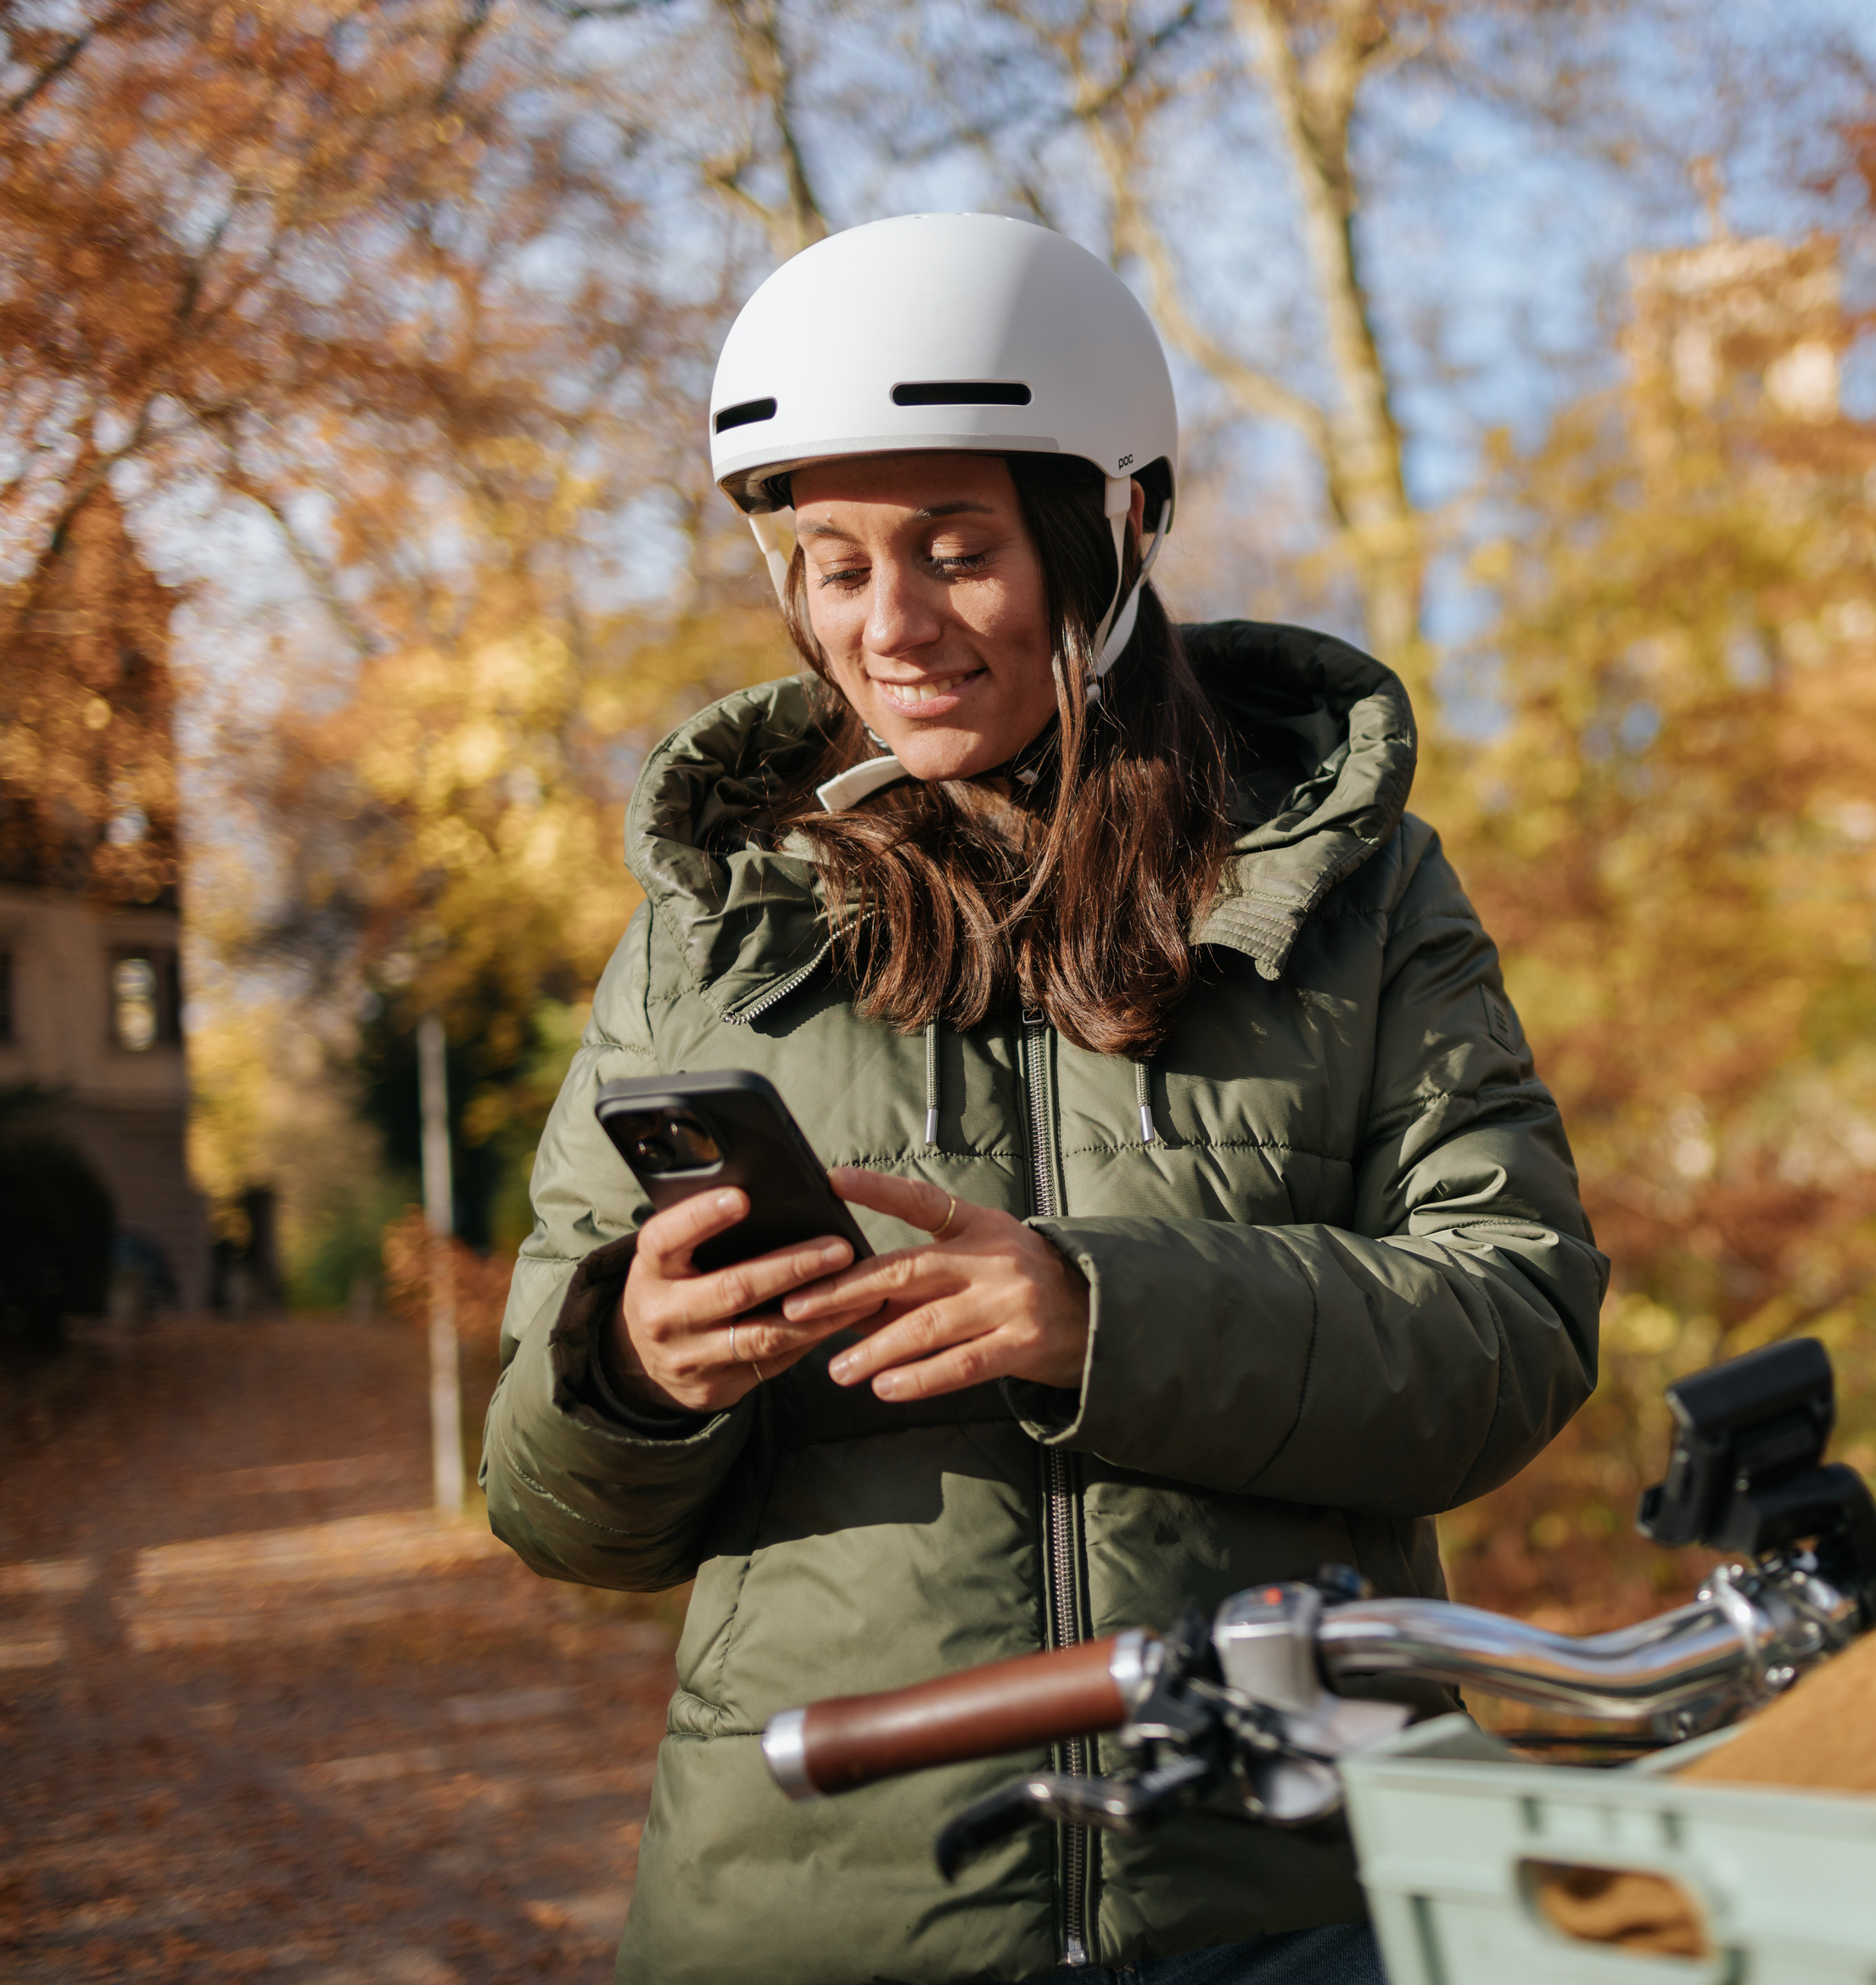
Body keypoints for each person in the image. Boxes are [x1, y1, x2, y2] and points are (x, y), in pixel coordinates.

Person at [481, 213, 1604, 1985]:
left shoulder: (1360, 886)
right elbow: (549, 1513)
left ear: (1112, 527)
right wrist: (629, 1370)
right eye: (834, 563)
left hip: (1300, 1892)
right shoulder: (707, 936)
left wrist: (1096, 1314)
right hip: (818, 1911)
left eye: (956, 550)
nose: (892, 625)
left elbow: (1515, 1321)